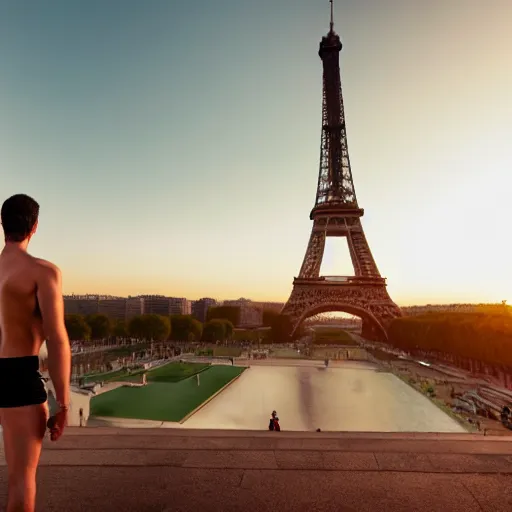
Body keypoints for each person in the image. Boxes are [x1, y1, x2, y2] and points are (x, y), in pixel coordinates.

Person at [0, 194, 71, 512]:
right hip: (17, 377)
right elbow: (57, 340)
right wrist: (64, 402)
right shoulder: (42, 272)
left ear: (2, 225)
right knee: (20, 482)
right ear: (35, 226)